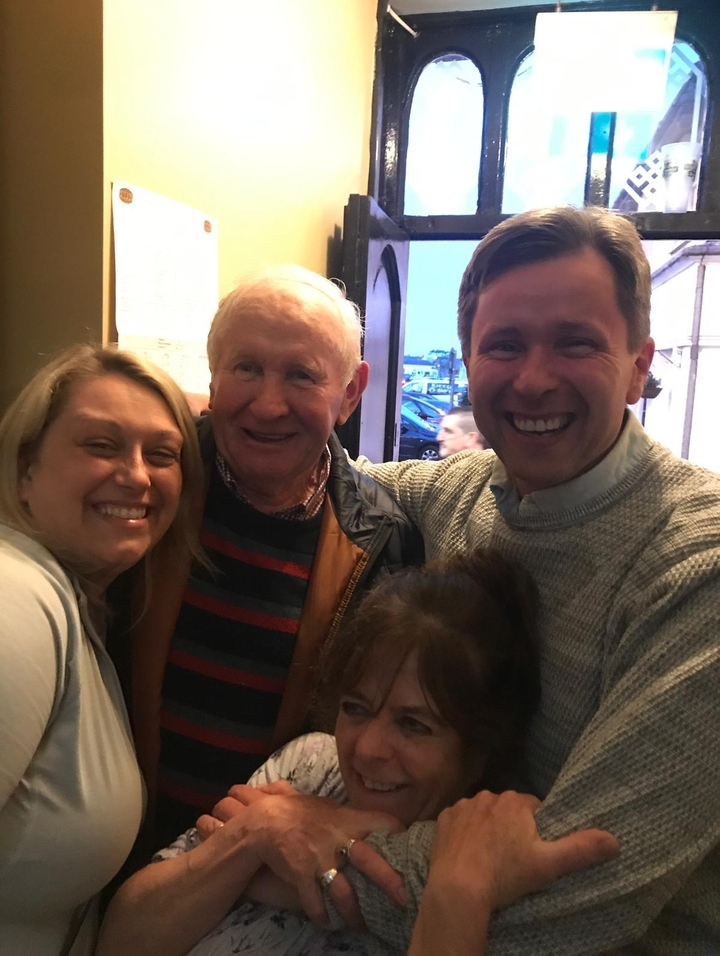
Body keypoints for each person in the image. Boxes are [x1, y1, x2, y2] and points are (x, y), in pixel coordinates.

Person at [202, 206, 720, 953]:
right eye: (503, 345)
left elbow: (583, 896)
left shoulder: (695, 566)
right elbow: (323, 467)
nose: (534, 380)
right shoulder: (464, 490)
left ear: (641, 363)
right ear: (468, 361)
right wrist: (172, 432)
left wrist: (290, 847)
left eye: (576, 343)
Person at [98, 549, 617, 956]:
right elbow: (120, 939)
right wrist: (256, 834)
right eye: (357, 708)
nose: (366, 750)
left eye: (413, 725)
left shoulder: (496, 858)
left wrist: (454, 895)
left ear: (481, 745)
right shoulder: (310, 765)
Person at [117, 266, 423, 849]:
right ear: (213, 373)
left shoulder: (384, 540)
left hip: (267, 879)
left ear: (351, 393)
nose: (268, 404)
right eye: (246, 368)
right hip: (109, 859)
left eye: (302, 376)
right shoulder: (149, 488)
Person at [0, 344, 204, 956]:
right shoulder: (18, 595)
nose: (137, 475)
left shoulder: (81, 609)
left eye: (161, 454)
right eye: (100, 444)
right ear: (26, 468)